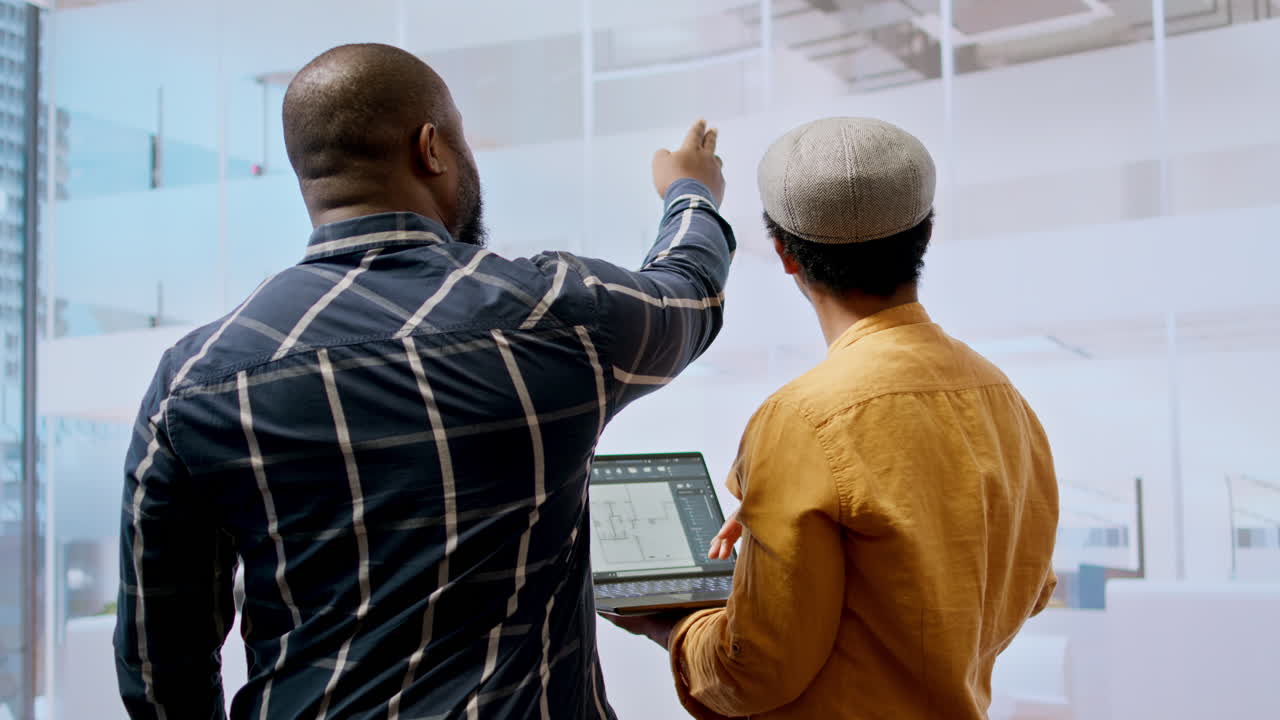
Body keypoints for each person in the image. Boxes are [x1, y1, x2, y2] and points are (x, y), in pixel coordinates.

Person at [113, 43, 733, 719]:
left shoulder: (194, 380)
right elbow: (688, 291)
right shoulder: (552, 316)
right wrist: (690, 191)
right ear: (431, 148)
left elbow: (160, 665)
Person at [605, 117, 1059, 719]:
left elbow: (756, 670)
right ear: (925, 232)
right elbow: (1028, 586)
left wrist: (673, 627)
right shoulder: (1004, 399)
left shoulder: (802, 420)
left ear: (785, 255)